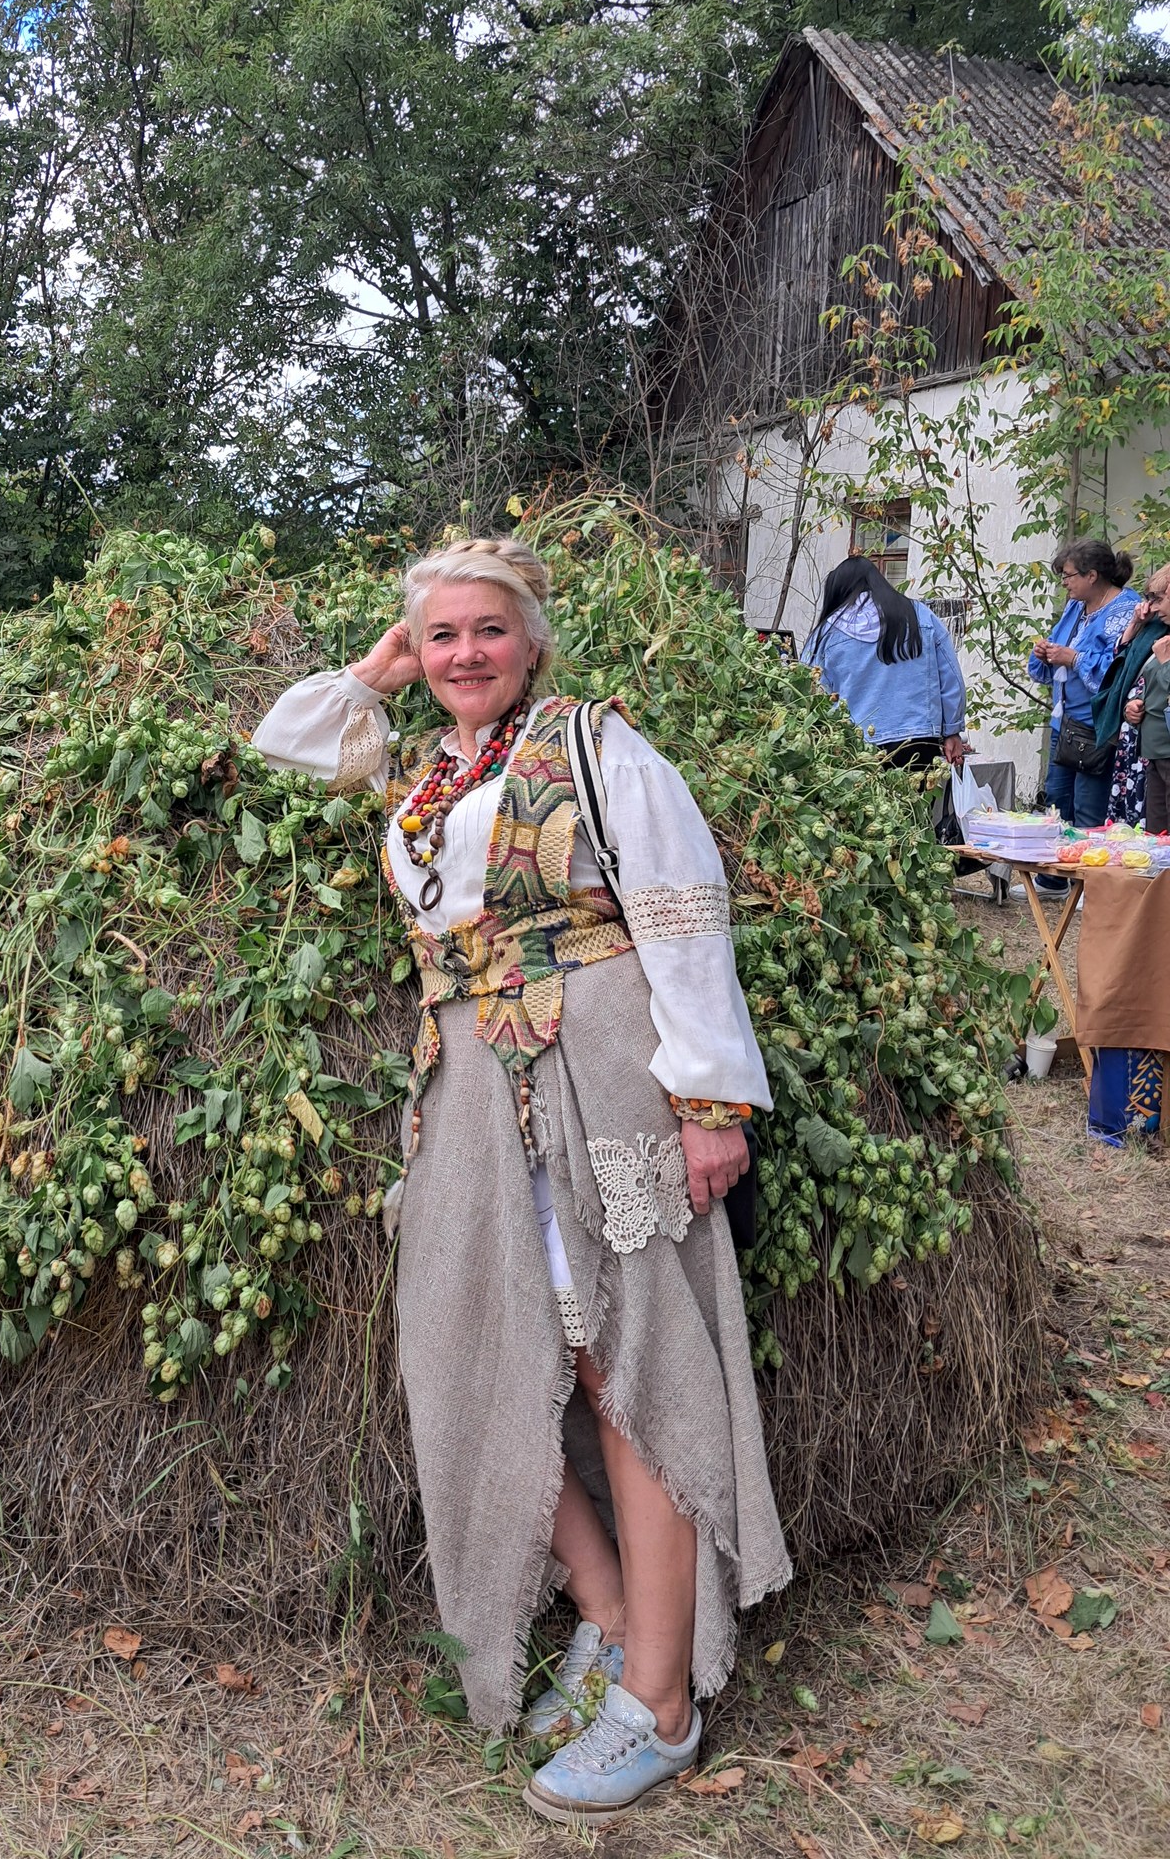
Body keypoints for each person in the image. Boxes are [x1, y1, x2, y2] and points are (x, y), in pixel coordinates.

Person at [252, 539, 791, 1827]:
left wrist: (710, 1100)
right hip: (472, 1092)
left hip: (602, 1072)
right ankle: (607, 1615)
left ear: (532, 640)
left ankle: (660, 1698)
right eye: (441, 634)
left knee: (624, 1354)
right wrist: (382, 665)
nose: (465, 653)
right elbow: (288, 740)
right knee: (475, 1342)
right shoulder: (425, 775)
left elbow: (682, 910)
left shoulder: (597, 745)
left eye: (489, 629)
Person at [803, 557, 966, 767]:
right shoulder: (920, 615)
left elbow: (810, 693)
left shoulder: (826, 634)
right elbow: (951, 677)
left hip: (853, 748)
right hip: (919, 742)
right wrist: (952, 730)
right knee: (917, 790)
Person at [1027, 539, 1141, 832]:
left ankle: (1087, 865)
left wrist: (1074, 659)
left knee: (1087, 814)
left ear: (1092, 575)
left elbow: (1120, 671)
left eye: (1068, 575)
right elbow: (1059, 644)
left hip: (1096, 730)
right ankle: (1053, 865)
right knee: (1056, 807)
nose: (1064, 582)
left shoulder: (1126, 610)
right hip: (1064, 727)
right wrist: (1045, 652)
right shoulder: (1076, 606)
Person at [1102, 566, 1170, 827]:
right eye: (1149, 599)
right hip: (1148, 748)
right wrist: (1133, 705)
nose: (1152, 607)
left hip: (1163, 747)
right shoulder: (1156, 631)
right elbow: (1126, 673)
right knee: (1154, 832)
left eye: (1158, 599)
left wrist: (1165, 663)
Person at [1134, 632, 1170, 835]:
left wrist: (1166, 662)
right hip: (1155, 750)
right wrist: (1135, 705)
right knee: (1157, 835)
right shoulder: (1159, 634)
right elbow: (1154, 688)